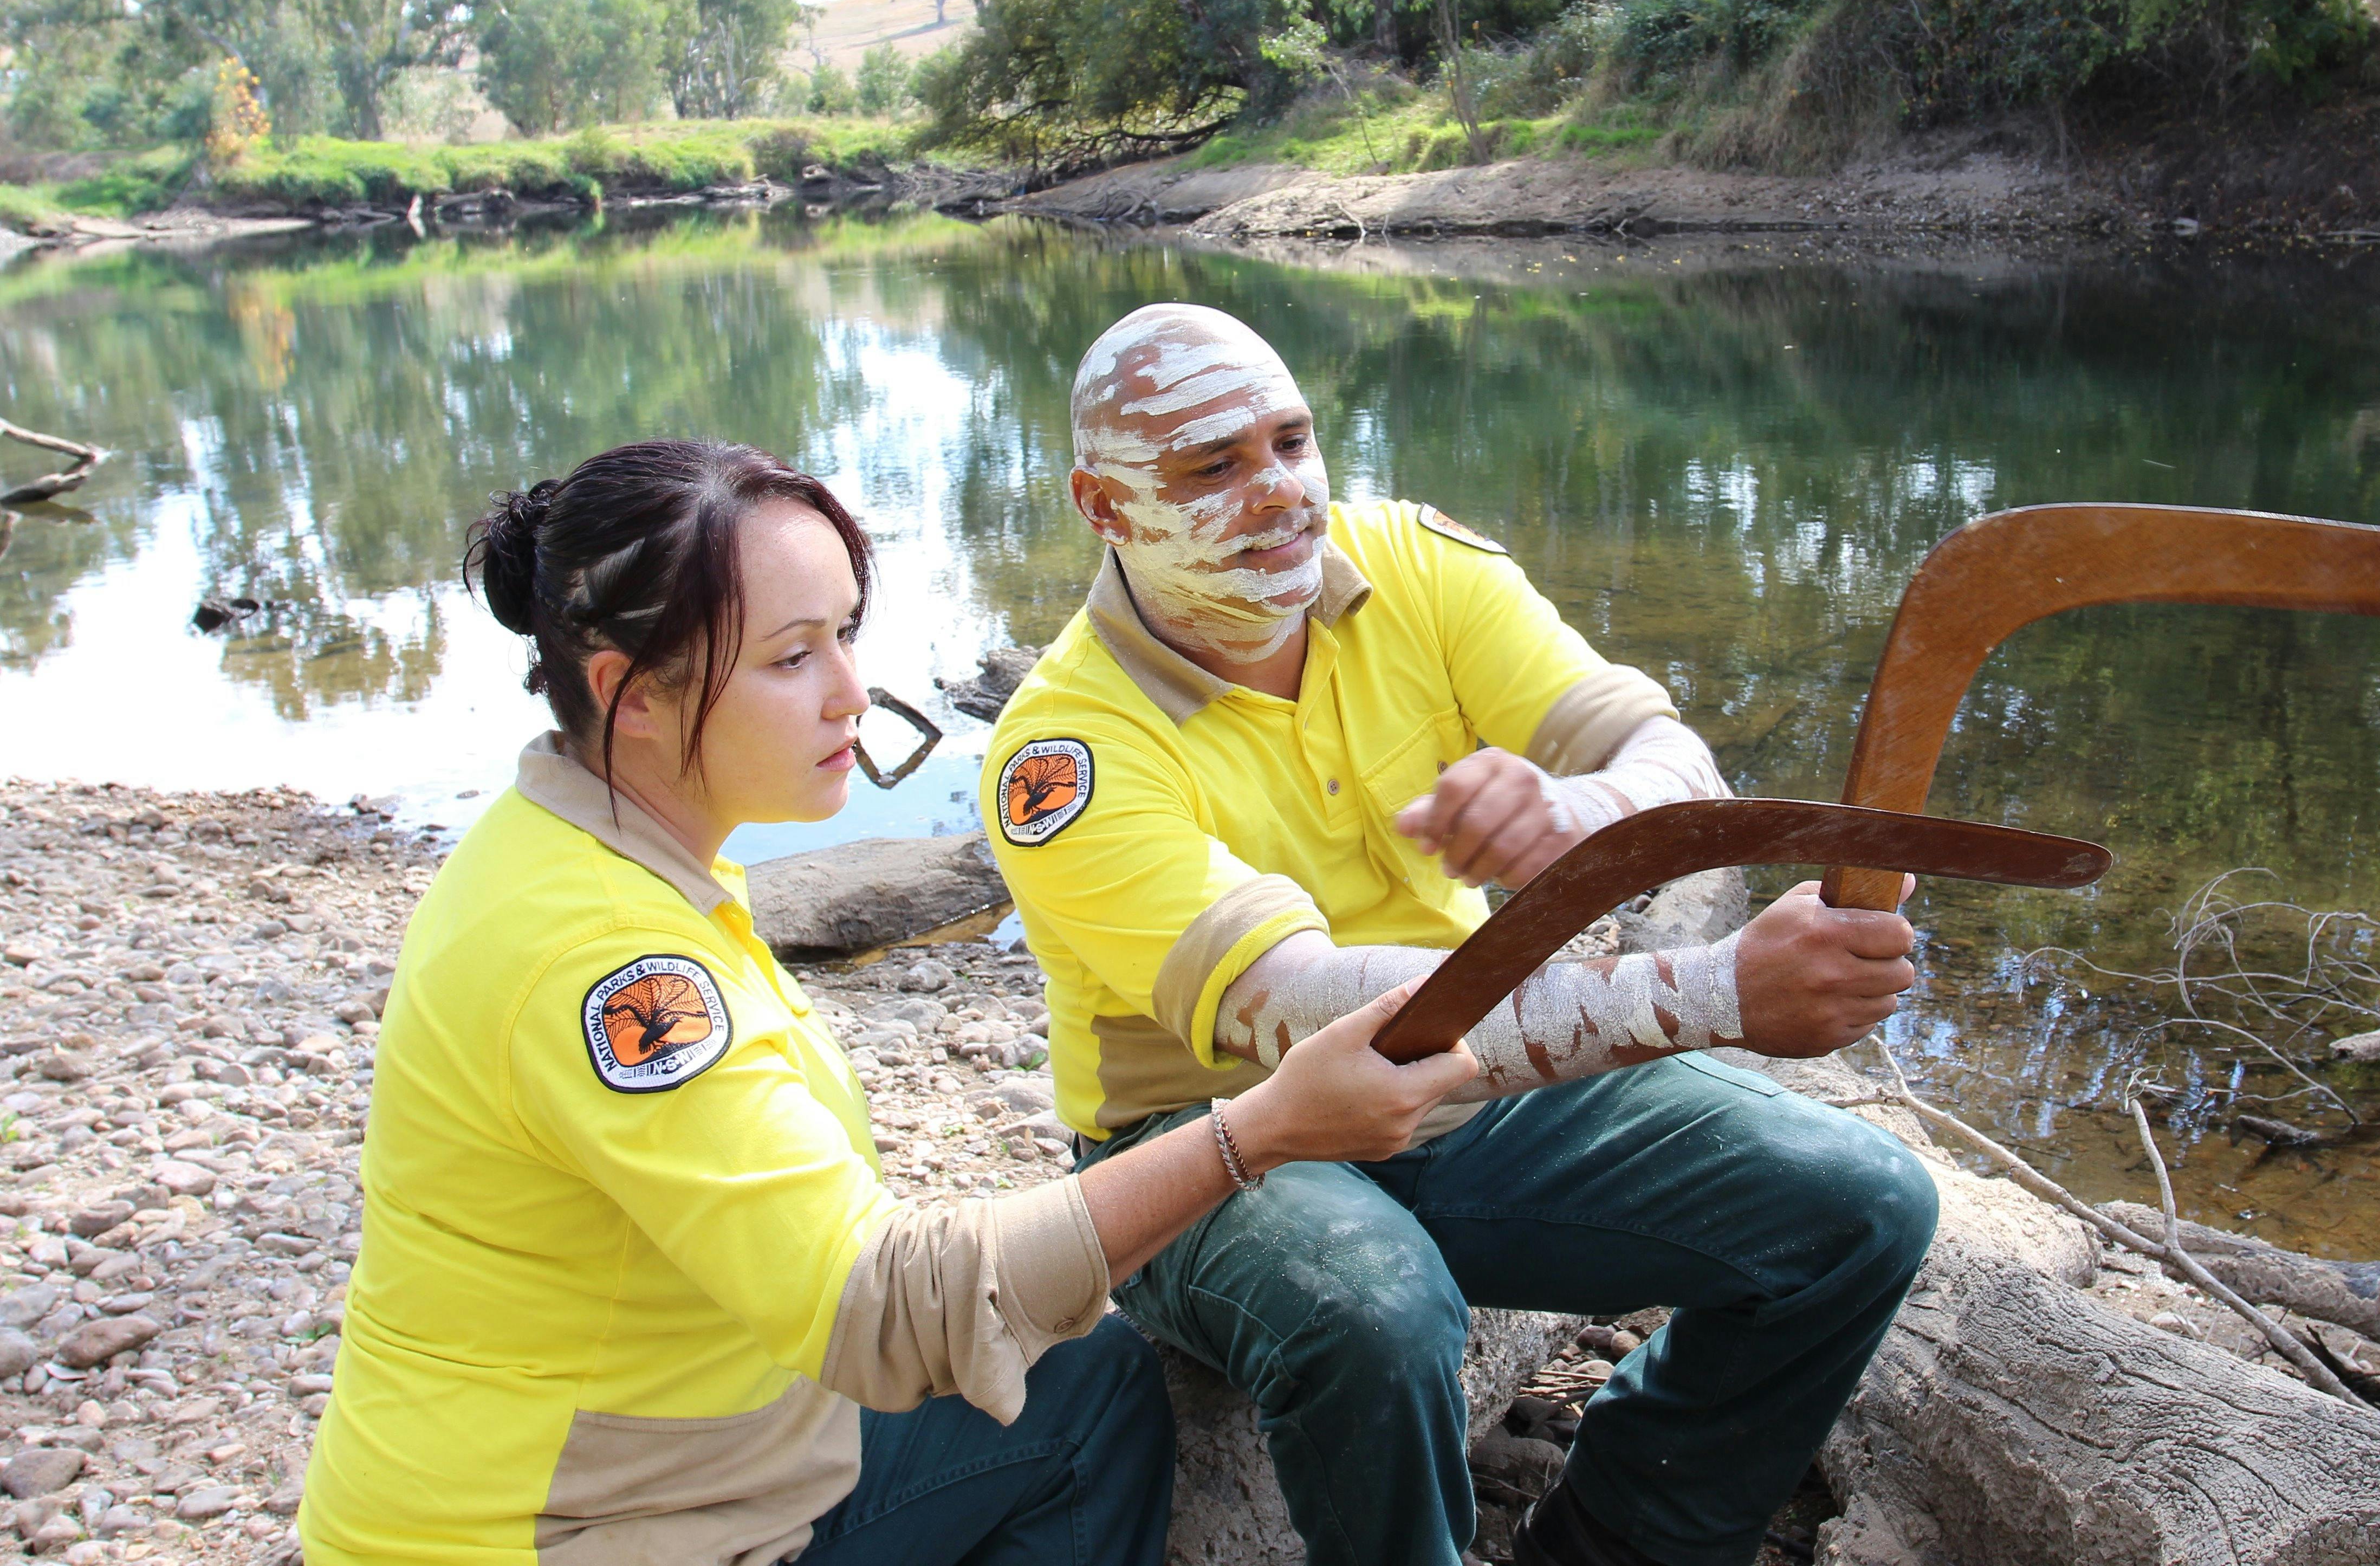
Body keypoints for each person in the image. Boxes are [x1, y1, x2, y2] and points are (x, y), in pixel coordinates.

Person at [300, 439, 1477, 1566]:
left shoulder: (576, 844)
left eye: (847, 636)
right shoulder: (609, 960)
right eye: (790, 657)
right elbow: (882, 1310)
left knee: (1086, 1385)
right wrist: (1258, 1131)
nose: (852, 695)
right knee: (1068, 1405)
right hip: (564, 1537)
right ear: (630, 694)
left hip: (648, 1460)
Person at [982, 306, 1943, 1566]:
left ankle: (1621, 1544)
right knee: (1373, 1311)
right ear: (1103, 506)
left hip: (1482, 1084)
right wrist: (1716, 992)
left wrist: (1577, 812)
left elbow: (1672, 764)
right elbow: (1306, 1007)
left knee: (1863, 1206)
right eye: (1212, 467)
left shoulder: (1417, 567)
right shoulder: (1064, 753)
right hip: (1216, 1143)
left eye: (1292, 440)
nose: (1278, 492)